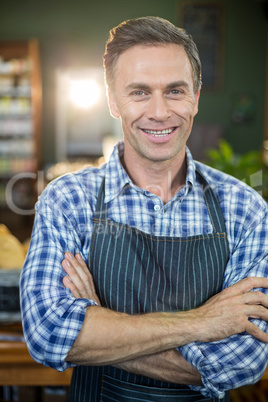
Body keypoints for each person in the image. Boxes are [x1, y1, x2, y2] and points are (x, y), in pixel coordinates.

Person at [20, 16, 268, 401]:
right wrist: (200, 322)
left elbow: (245, 359)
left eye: (174, 91)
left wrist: (99, 326)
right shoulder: (68, 200)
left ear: (196, 98)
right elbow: (48, 334)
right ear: (113, 101)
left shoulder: (245, 210)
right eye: (138, 92)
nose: (159, 112)